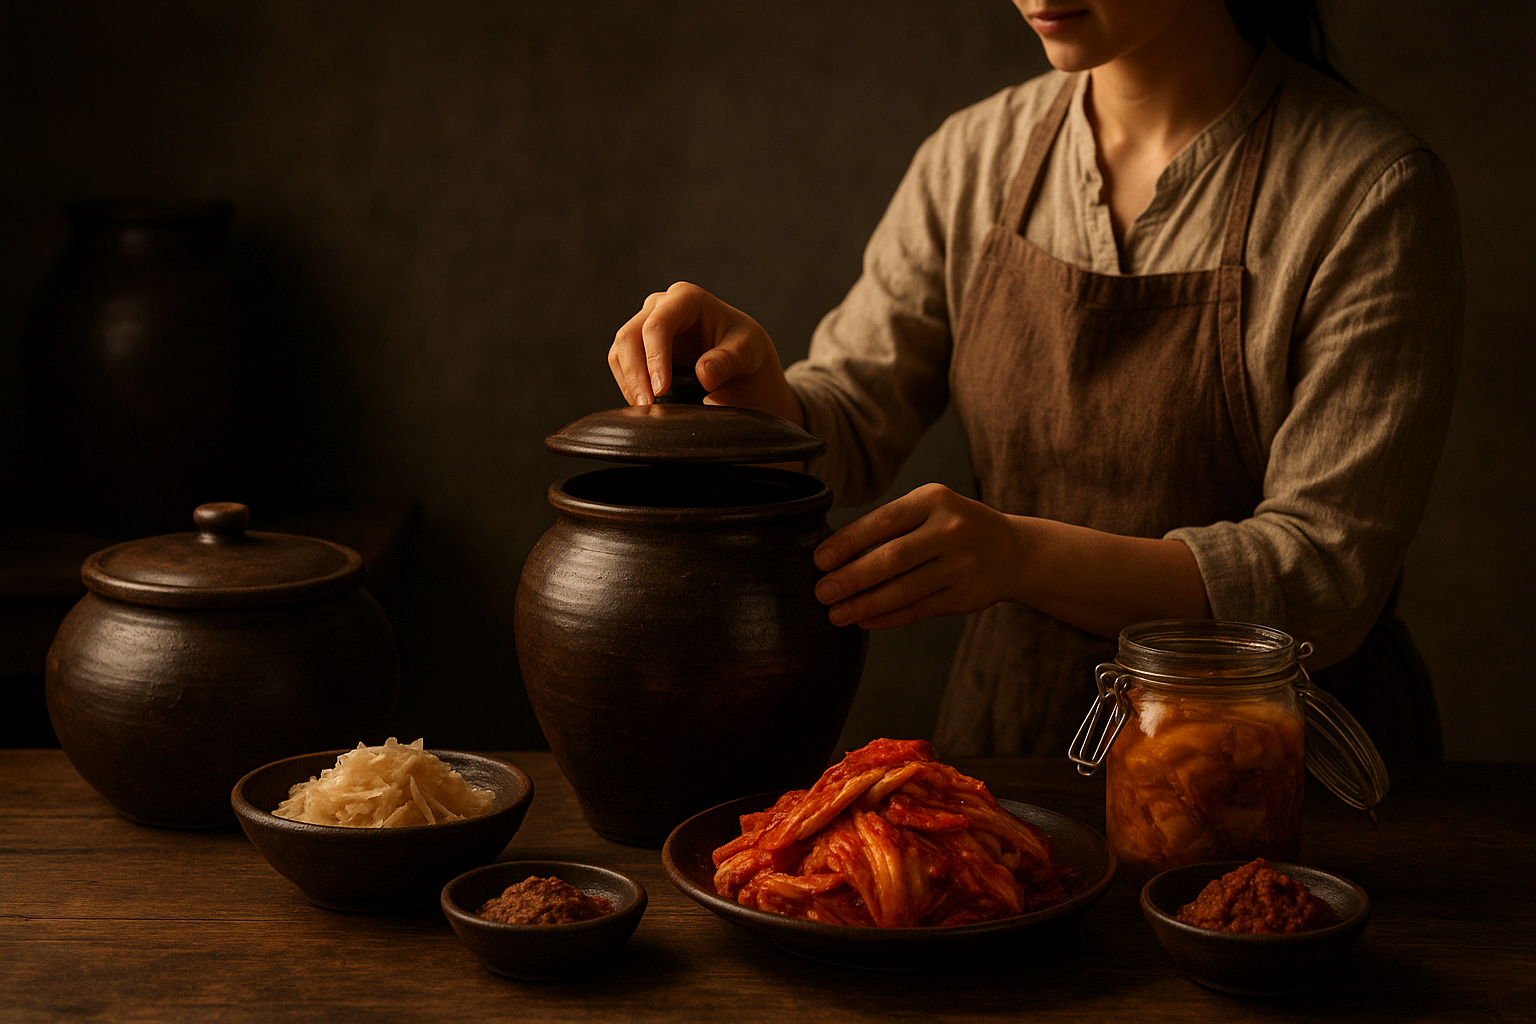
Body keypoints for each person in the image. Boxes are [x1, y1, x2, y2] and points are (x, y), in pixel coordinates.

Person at [606, 0, 1463, 763]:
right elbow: (849, 428)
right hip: (1016, 746)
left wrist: (1020, 556)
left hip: (1280, 771)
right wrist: (754, 391)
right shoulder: (973, 157)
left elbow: (1322, 577)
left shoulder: (1367, 192)